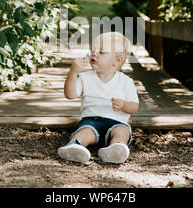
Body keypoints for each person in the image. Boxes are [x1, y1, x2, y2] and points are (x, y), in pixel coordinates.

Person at [58, 31, 139, 164]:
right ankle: (75, 146)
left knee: (122, 131)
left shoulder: (126, 81)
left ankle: (115, 149)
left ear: (117, 61)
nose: (94, 54)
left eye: (101, 52)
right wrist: (73, 73)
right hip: (91, 120)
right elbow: (70, 94)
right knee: (85, 131)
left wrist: (124, 105)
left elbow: (134, 107)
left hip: (116, 121)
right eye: (93, 50)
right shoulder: (85, 78)